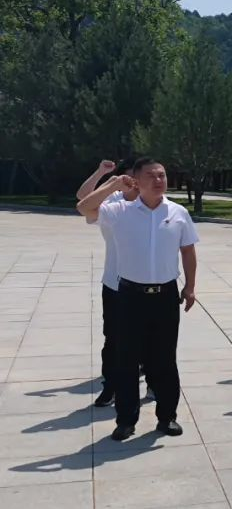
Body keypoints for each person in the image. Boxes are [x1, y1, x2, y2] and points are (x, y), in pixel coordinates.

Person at [77, 158, 198, 441]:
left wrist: (190, 287)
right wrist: (113, 185)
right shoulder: (119, 211)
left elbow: (188, 250)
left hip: (165, 295)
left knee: (164, 359)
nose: (159, 180)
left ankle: (167, 417)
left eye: (162, 175)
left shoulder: (178, 212)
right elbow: (84, 207)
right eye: (151, 176)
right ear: (137, 180)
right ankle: (126, 420)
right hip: (130, 296)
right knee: (126, 359)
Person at [76, 159, 137, 408]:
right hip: (115, 283)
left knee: (150, 338)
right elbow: (83, 199)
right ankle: (110, 386)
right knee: (113, 338)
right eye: (129, 177)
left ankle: (153, 382)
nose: (135, 182)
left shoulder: (156, 204)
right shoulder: (112, 203)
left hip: (148, 284)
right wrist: (104, 176)